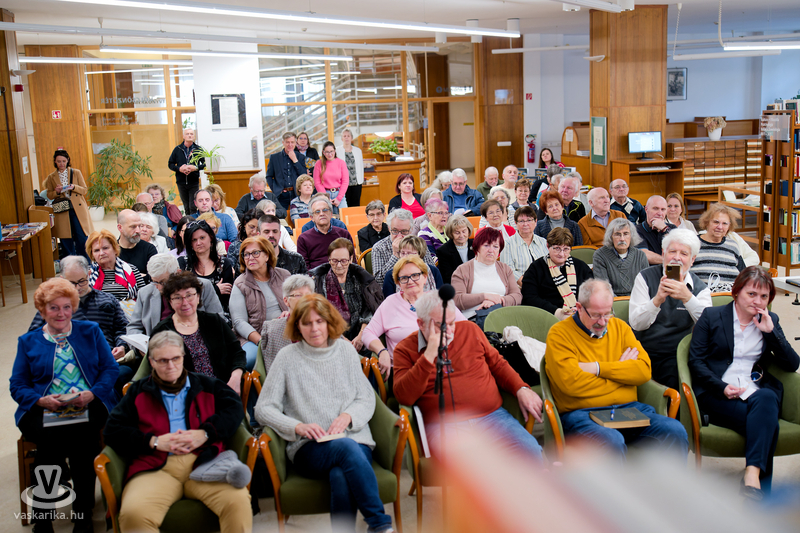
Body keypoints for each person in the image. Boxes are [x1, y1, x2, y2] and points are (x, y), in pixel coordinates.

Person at [255, 294, 395, 533]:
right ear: (297, 326)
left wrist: (348, 416)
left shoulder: (345, 351)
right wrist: (296, 426)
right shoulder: (286, 358)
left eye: (319, 321)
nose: (314, 328)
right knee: (346, 449)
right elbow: (263, 408)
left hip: (354, 439)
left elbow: (366, 398)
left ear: (329, 322)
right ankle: (379, 523)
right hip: (310, 447)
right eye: (307, 323)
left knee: (340, 475)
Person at [104, 331, 252, 533]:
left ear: (183, 357)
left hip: (204, 461)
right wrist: (153, 441)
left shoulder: (207, 385)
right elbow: (113, 430)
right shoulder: (137, 392)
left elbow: (234, 409)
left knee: (237, 502)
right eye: (163, 360)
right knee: (133, 514)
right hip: (155, 467)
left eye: (176, 358)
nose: (171, 366)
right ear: (151, 362)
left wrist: (206, 433)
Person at [11, 278, 119, 533]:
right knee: (58, 441)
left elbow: (110, 369)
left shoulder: (90, 331)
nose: (61, 313)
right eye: (54, 308)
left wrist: (92, 394)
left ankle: (70, 516)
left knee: (75, 442)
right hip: (43, 407)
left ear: (73, 307)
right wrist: (40, 400)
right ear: (42, 310)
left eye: (66, 307)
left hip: (88, 402)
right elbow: (18, 384)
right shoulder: (28, 341)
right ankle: (59, 516)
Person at [544, 279, 689, 461]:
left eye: (608, 313)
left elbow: (644, 371)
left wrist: (597, 368)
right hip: (582, 413)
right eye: (596, 315)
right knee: (611, 440)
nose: (602, 322)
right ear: (579, 308)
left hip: (628, 410)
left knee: (675, 430)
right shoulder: (559, 334)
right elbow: (571, 384)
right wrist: (622, 374)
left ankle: (670, 481)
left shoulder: (620, 327)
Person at [689, 267, 800, 499]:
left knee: (767, 397)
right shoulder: (711, 316)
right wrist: (721, 387)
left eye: (764, 296)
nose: (758, 301)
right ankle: (760, 495)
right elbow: (696, 362)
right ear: (736, 292)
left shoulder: (770, 320)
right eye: (751, 294)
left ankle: (752, 477)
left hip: (755, 392)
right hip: (716, 393)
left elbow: (792, 364)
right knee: (768, 424)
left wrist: (771, 333)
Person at [393, 291, 543, 459]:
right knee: (469, 467)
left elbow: (498, 365)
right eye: (440, 325)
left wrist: (521, 388)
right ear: (421, 324)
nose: (449, 331)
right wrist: (428, 355)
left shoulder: (470, 330)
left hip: (492, 416)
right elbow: (404, 396)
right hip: (444, 425)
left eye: (451, 323)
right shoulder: (404, 349)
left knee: (531, 453)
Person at [29, 255, 132, 394]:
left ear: (89, 274)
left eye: (82, 281)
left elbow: (122, 328)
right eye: (71, 283)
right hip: (67, 363)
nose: (78, 287)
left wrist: (122, 346)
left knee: (124, 374)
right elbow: (33, 337)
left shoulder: (108, 300)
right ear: (62, 280)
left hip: (105, 360)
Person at [629, 229, 712, 390]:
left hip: (678, 353)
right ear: (663, 253)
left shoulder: (700, 288)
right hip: (645, 349)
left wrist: (687, 297)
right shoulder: (645, 277)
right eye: (672, 251)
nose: (677, 258)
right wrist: (657, 300)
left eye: (684, 254)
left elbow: (708, 325)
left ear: (692, 260)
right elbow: (637, 324)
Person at [365, 256, 466, 378]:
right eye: (404, 278)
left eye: (415, 275)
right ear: (398, 283)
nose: (410, 281)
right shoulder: (390, 303)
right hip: (405, 370)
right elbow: (368, 333)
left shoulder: (438, 299)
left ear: (425, 277)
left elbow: (465, 327)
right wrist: (382, 351)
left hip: (441, 366)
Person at [152, 272, 246, 393]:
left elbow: (237, 352)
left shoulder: (214, 321)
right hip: (183, 394)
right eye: (177, 297)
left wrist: (236, 377)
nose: (185, 302)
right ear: (170, 301)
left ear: (198, 297)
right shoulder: (162, 331)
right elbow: (157, 370)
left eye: (189, 295)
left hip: (223, 389)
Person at [312, 238, 383, 352]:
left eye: (344, 261)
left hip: (361, 334)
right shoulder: (318, 282)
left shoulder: (361, 279)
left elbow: (369, 310)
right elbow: (319, 316)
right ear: (329, 260)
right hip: (329, 336)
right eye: (334, 261)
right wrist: (342, 339)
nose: (339, 265)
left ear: (350, 259)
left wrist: (361, 336)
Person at [230, 236, 290, 370]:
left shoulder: (284, 275)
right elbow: (239, 322)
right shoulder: (240, 284)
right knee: (251, 359)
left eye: (255, 253)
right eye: (246, 254)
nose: (250, 258)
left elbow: (299, 305)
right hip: (254, 336)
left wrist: (290, 313)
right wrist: (261, 341)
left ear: (267, 256)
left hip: (286, 330)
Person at [128, 254, 224, 336]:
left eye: (163, 282)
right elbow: (134, 327)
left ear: (178, 273)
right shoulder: (145, 293)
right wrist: (140, 346)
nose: (159, 288)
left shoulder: (202, 286)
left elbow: (218, 321)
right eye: (155, 282)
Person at [522, 227, 593, 320]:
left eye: (566, 249)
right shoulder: (535, 268)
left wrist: (581, 308)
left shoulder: (581, 267)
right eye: (557, 248)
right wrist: (556, 312)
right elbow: (529, 297)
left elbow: (592, 293)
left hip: (580, 314)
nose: (561, 254)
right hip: (547, 317)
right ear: (548, 246)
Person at [452, 227, 522, 322]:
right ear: (477, 247)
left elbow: (517, 296)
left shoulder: (505, 269)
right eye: (486, 245)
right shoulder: (462, 270)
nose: (491, 250)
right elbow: (457, 300)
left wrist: (499, 301)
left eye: (495, 247)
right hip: (474, 319)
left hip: (502, 316)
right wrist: (485, 296)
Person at [259, 274, 314, 375]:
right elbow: (270, 369)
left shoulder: (325, 325)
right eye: (298, 295)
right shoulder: (271, 330)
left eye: (308, 295)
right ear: (286, 301)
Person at [44, 149, 95, 259]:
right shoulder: (51, 177)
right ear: (55, 161)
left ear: (68, 160)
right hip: (62, 210)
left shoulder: (76, 172)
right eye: (59, 161)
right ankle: (70, 264)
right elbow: (49, 195)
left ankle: (85, 262)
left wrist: (74, 187)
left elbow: (84, 190)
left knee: (81, 236)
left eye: (63, 161)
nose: (61, 164)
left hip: (77, 209)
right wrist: (57, 192)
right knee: (66, 238)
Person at [178, 220, 237, 312]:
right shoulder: (183, 263)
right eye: (194, 240)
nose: (198, 243)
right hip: (191, 313)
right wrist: (216, 289)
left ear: (211, 238)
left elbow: (226, 297)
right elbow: (183, 295)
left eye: (202, 238)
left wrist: (198, 292)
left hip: (219, 314)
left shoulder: (224, 263)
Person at [371, 208, 437, 286]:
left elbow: (432, 273)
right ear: (389, 228)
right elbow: (379, 280)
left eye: (404, 231)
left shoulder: (419, 244)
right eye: (395, 231)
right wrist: (395, 255)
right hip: (392, 289)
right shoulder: (379, 248)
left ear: (411, 230)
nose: (399, 236)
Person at [692, 203, 745, 292]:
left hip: (730, 295)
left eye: (725, 223)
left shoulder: (733, 245)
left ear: (729, 227)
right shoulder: (693, 243)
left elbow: (744, 275)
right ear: (707, 222)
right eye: (716, 222)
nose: (720, 227)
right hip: (702, 295)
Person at [87, 229, 146, 307]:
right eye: (96, 250)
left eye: (105, 248)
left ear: (115, 248)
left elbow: (144, 297)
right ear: (92, 254)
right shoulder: (87, 273)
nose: (101, 253)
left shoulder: (131, 269)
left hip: (128, 312)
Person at [592, 218, 649, 297]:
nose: (622, 239)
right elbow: (603, 288)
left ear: (631, 236)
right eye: (617, 234)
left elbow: (646, 285)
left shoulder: (640, 255)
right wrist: (619, 302)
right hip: (611, 300)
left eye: (626, 234)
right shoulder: (600, 255)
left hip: (637, 299)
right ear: (611, 237)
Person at [297, 196, 354, 269]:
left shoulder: (344, 234)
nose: (321, 214)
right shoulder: (303, 239)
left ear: (331, 214)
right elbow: (304, 268)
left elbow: (352, 261)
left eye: (325, 210)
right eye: (317, 212)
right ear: (312, 217)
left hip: (342, 272)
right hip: (316, 275)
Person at [500, 206, 548, 284]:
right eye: (521, 221)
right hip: (521, 286)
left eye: (529, 220)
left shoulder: (543, 242)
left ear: (535, 222)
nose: (525, 224)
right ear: (515, 223)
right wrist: (529, 285)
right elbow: (508, 271)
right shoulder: (507, 244)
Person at [168, 128, 205, 215]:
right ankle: (188, 221)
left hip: (193, 182)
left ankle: (193, 221)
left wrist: (195, 168)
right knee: (186, 206)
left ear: (194, 136)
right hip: (181, 182)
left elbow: (205, 164)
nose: (189, 135)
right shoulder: (177, 149)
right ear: (183, 136)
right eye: (187, 134)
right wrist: (179, 169)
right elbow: (170, 164)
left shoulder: (198, 149)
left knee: (193, 206)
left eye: (191, 134)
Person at [266, 132, 307, 210]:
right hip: (281, 195)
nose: (290, 144)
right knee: (281, 215)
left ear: (296, 143)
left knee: (298, 216)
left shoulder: (300, 157)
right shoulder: (274, 157)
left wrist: (295, 160)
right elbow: (269, 176)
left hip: (296, 193)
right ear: (283, 142)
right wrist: (275, 189)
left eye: (292, 142)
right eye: (287, 142)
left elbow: (304, 175)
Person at [117, 209, 158, 279]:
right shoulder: (111, 250)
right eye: (133, 227)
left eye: (139, 226)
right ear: (120, 228)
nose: (138, 231)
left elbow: (154, 278)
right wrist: (139, 276)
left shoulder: (149, 249)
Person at [436, 214, 475, 285]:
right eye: (457, 232)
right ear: (451, 234)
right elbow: (448, 278)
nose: (461, 235)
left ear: (468, 231)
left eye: (464, 231)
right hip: (457, 286)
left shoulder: (477, 245)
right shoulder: (443, 251)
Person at [637, 195, 676, 264]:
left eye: (663, 209)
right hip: (650, 269)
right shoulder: (637, 230)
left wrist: (664, 229)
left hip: (672, 269)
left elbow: (678, 249)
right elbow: (644, 255)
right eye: (655, 208)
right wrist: (670, 261)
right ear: (646, 210)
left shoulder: (672, 228)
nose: (660, 213)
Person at [314, 141, 349, 213]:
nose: (330, 154)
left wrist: (339, 198)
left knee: (344, 215)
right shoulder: (319, 163)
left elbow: (345, 182)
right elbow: (317, 183)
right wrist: (326, 197)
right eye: (327, 152)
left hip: (339, 193)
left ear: (335, 151)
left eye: (331, 151)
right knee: (326, 216)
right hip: (324, 194)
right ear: (323, 152)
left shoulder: (341, 163)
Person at [338, 129, 365, 207]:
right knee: (345, 205)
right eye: (344, 136)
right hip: (343, 183)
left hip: (356, 182)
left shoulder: (358, 151)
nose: (346, 138)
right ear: (342, 138)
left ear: (351, 138)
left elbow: (361, 166)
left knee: (356, 204)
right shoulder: (337, 150)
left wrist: (362, 180)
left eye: (348, 136)